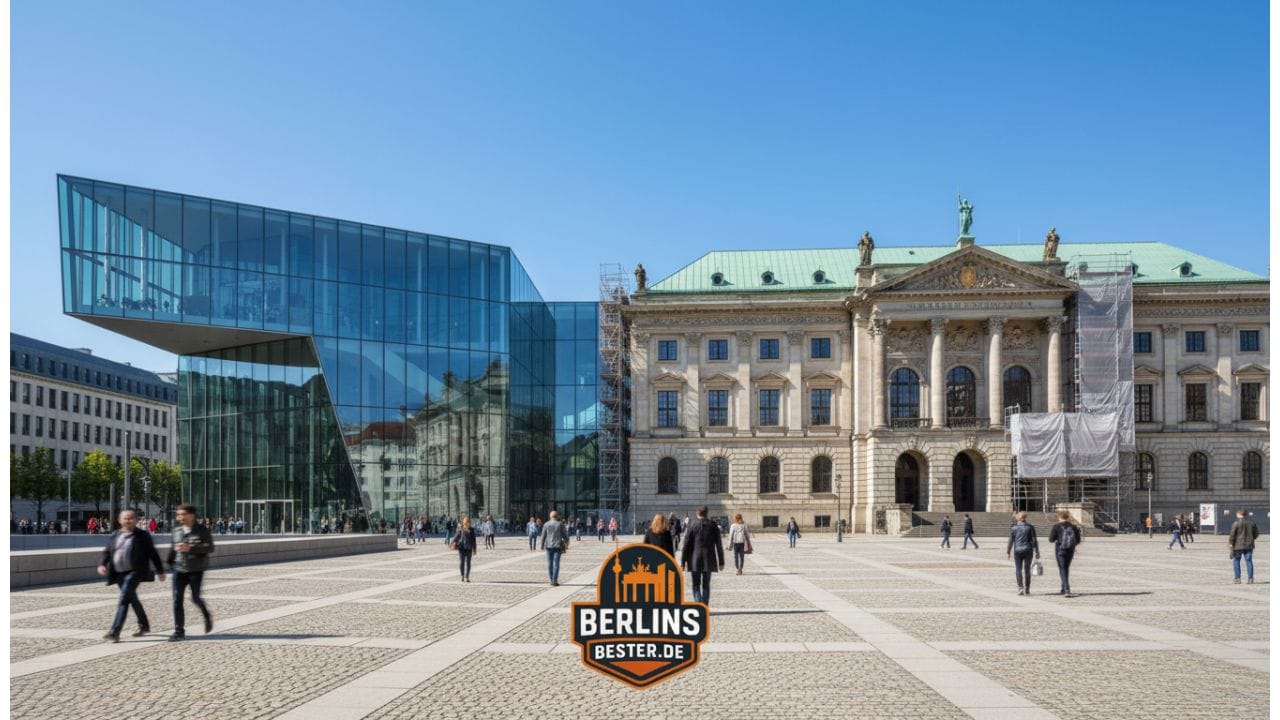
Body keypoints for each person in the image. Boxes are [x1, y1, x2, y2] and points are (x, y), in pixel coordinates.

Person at [98, 509, 166, 641]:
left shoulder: (143, 535)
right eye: (125, 518)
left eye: (131, 518)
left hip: (135, 572)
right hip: (118, 573)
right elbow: (107, 552)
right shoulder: (116, 534)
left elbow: (153, 553)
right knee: (131, 598)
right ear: (119, 520)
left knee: (124, 598)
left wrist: (160, 570)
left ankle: (115, 631)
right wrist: (102, 564)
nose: (128, 520)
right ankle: (144, 625)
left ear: (136, 520)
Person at [167, 504, 215, 641]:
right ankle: (179, 631)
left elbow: (209, 547)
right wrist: (167, 566)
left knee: (195, 598)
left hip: (195, 569)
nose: (179, 517)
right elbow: (172, 549)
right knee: (177, 600)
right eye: (178, 514)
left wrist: (191, 548)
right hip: (178, 569)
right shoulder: (176, 531)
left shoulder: (202, 530)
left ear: (191, 515)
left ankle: (206, 615)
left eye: (182, 514)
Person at [680, 506, 724, 605]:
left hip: (694, 559)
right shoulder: (713, 524)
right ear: (707, 513)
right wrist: (721, 562)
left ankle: (699, 605)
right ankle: (704, 605)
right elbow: (719, 544)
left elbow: (686, 545)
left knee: (696, 584)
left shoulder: (691, 524)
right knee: (706, 585)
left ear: (697, 513)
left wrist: (683, 562)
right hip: (709, 559)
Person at [1005, 511, 1040, 596]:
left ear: (1018, 518)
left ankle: (1020, 587)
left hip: (1018, 550)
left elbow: (1011, 540)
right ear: (1025, 518)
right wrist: (1037, 551)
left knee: (1018, 569)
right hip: (1028, 550)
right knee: (1027, 570)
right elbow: (1034, 540)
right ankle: (1027, 589)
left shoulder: (1014, 528)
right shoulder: (1030, 527)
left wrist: (1008, 551)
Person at [1047, 510, 1081, 596]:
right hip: (1070, 549)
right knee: (1066, 568)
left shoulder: (1056, 526)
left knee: (1062, 568)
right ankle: (1063, 588)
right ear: (1068, 517)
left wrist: (1057, 540)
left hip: (1060, 549)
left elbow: (1051, 539)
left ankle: (1066, 589)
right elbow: (1078, 540)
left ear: (1059, 517)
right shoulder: (1073, 526)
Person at [1228, 508, 1259, 585]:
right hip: (1249, 545)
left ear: (1238, 514)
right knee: (1249, 561)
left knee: (1236, 561)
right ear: (1246, 515)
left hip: (1237, 546)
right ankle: (1250, 579)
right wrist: (1252, 538)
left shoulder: (1236, 523)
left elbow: (1232, 535)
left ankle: (1237, 579)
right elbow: (1256, 534)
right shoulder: (1252, 523)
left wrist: (1231, 544)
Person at [539, 511, 570, 586]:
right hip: (557, 546)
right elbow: (565, 535)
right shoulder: (560, 524)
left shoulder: (546, 524)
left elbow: (543, 536)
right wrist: (567, 543)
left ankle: (551, 579)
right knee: (556, 563)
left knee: (549, 563)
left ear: (550, 516)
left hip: (548, 546)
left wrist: (542, 545)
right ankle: (555, 580)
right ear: (557, 516)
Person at [452, 516, 477, 582]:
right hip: (461, 548)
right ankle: (462, 575)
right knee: (462, 562)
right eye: (465, 523)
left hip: (469, 548)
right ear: (463, 523)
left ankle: (467, 577)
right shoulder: (460, 529)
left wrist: (474, 549)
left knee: (468, 563)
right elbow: (456, 536)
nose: (466, 524)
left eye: (468, 523)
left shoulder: (472, 530)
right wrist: (452, 543)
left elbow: (474, 540)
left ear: (469, 523)